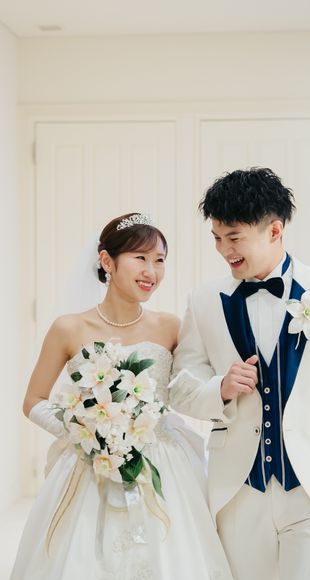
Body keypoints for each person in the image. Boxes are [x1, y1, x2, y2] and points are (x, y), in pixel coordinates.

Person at [170, 167, 310, 580]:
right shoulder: (203, 301)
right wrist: (220, 389)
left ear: (274, 230)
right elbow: (180, 388)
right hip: (238, 491)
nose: (224, 250)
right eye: (216, 238)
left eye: (234, 237)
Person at [11, 213, 233, 580]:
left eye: (159, 260)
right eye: (140, 258)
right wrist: (87, 433)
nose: (151, 271)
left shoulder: (170, 327)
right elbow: (33, 400)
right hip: (91, 465)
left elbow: (185, 391)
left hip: (163, 462)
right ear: (107, 261)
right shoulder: (68, 328)